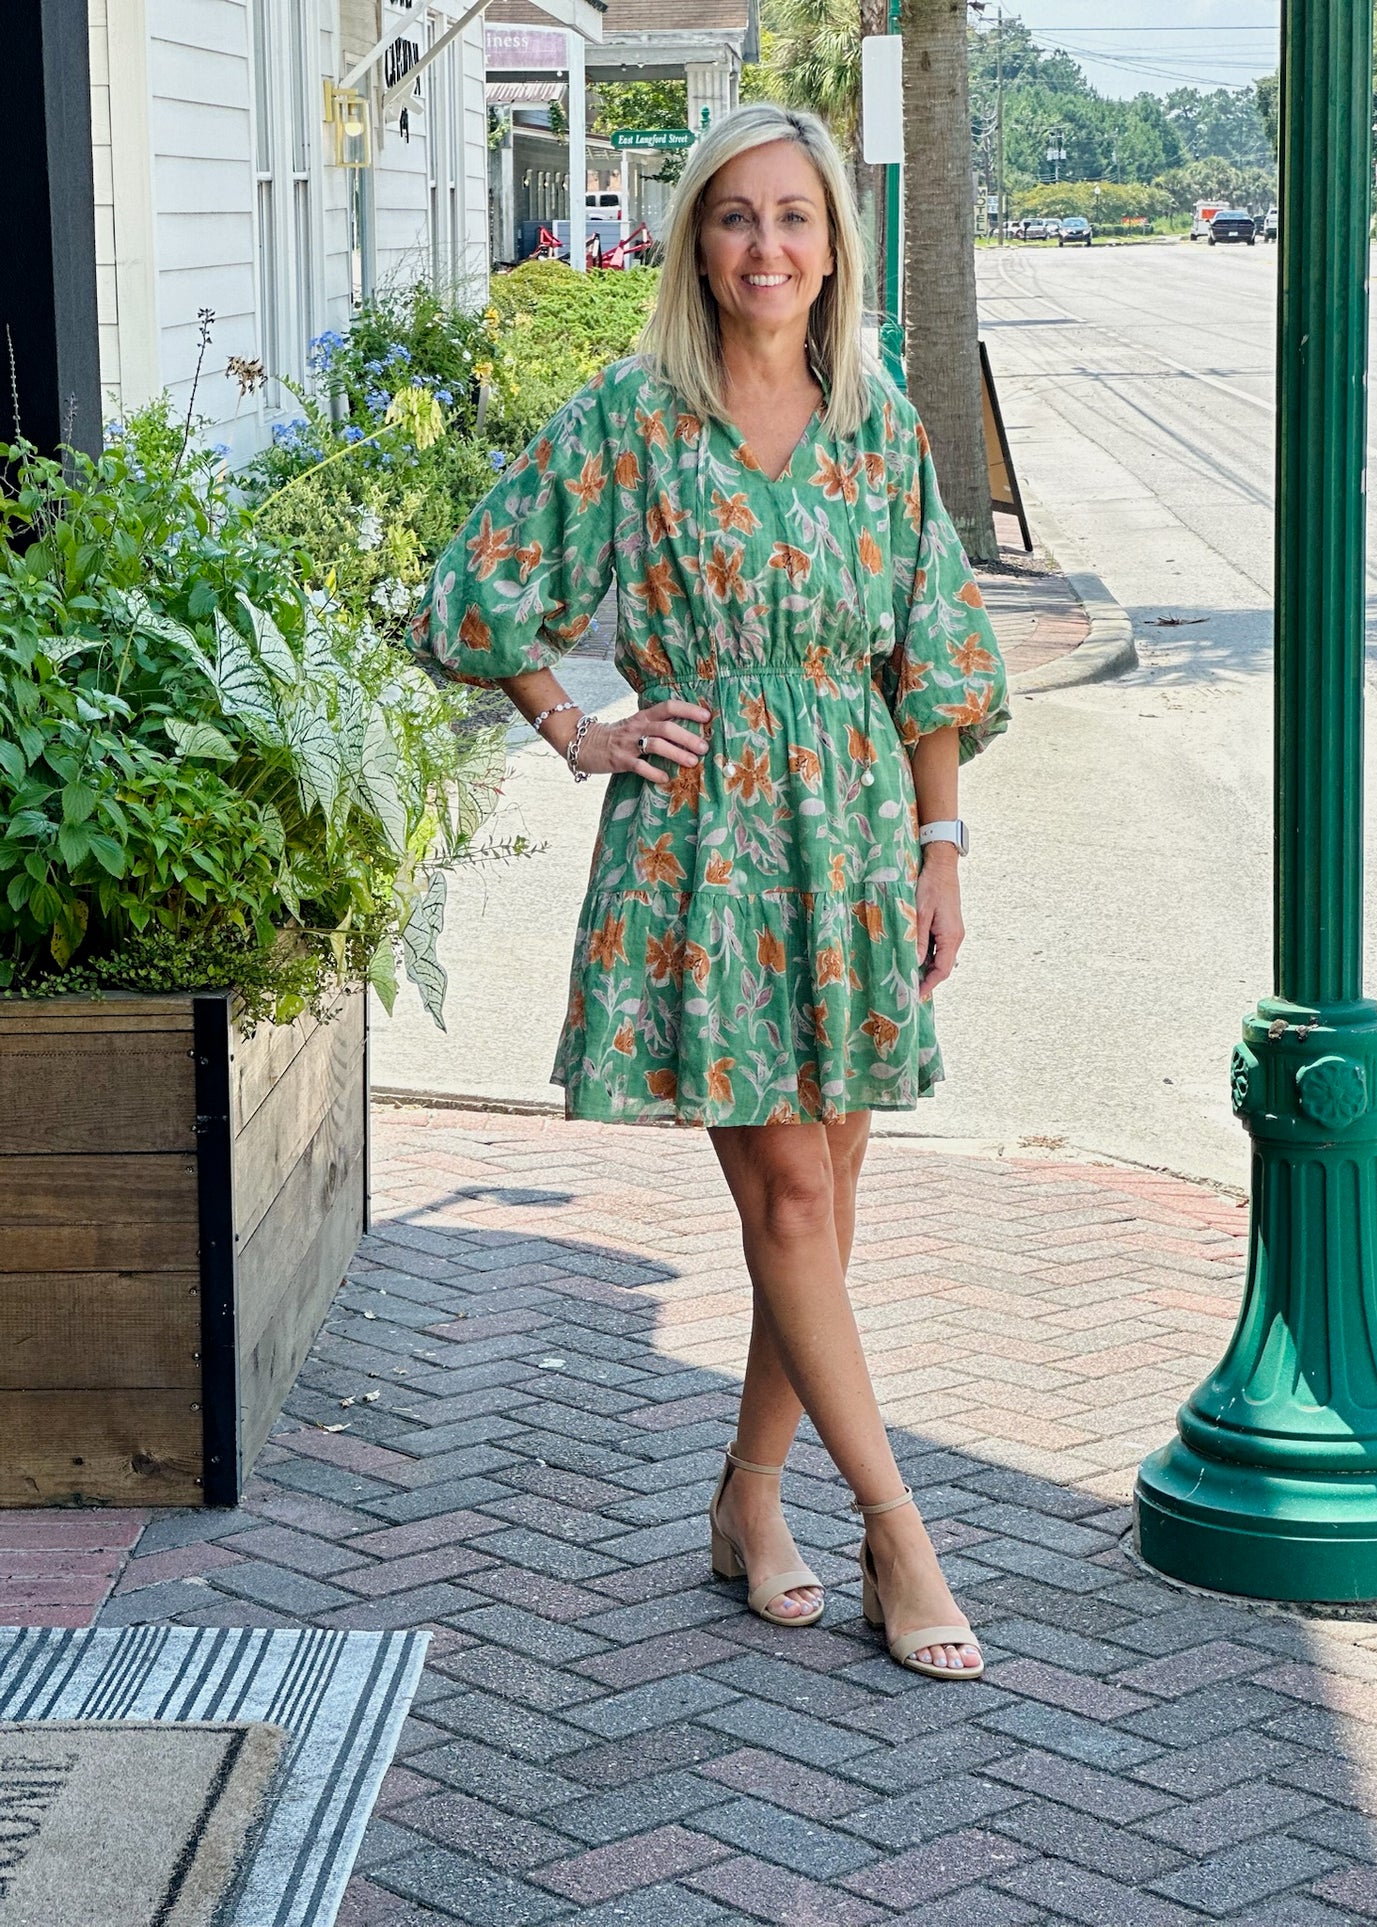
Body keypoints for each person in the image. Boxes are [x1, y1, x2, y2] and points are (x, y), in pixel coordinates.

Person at [412, 103, 1009, 1680]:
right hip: (703, 844)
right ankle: (897, 1528)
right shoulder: (630, 414)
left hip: (858, 838)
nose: (765, 247)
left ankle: (751, 1500)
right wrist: (577, 727)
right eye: (734, 217)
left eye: (793, 218)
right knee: (793, 1200)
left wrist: (942, 852)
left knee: (815, 1210)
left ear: (833, 244)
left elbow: (930, 658)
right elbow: (477, 585)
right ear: (694, 240)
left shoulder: (881, 425)